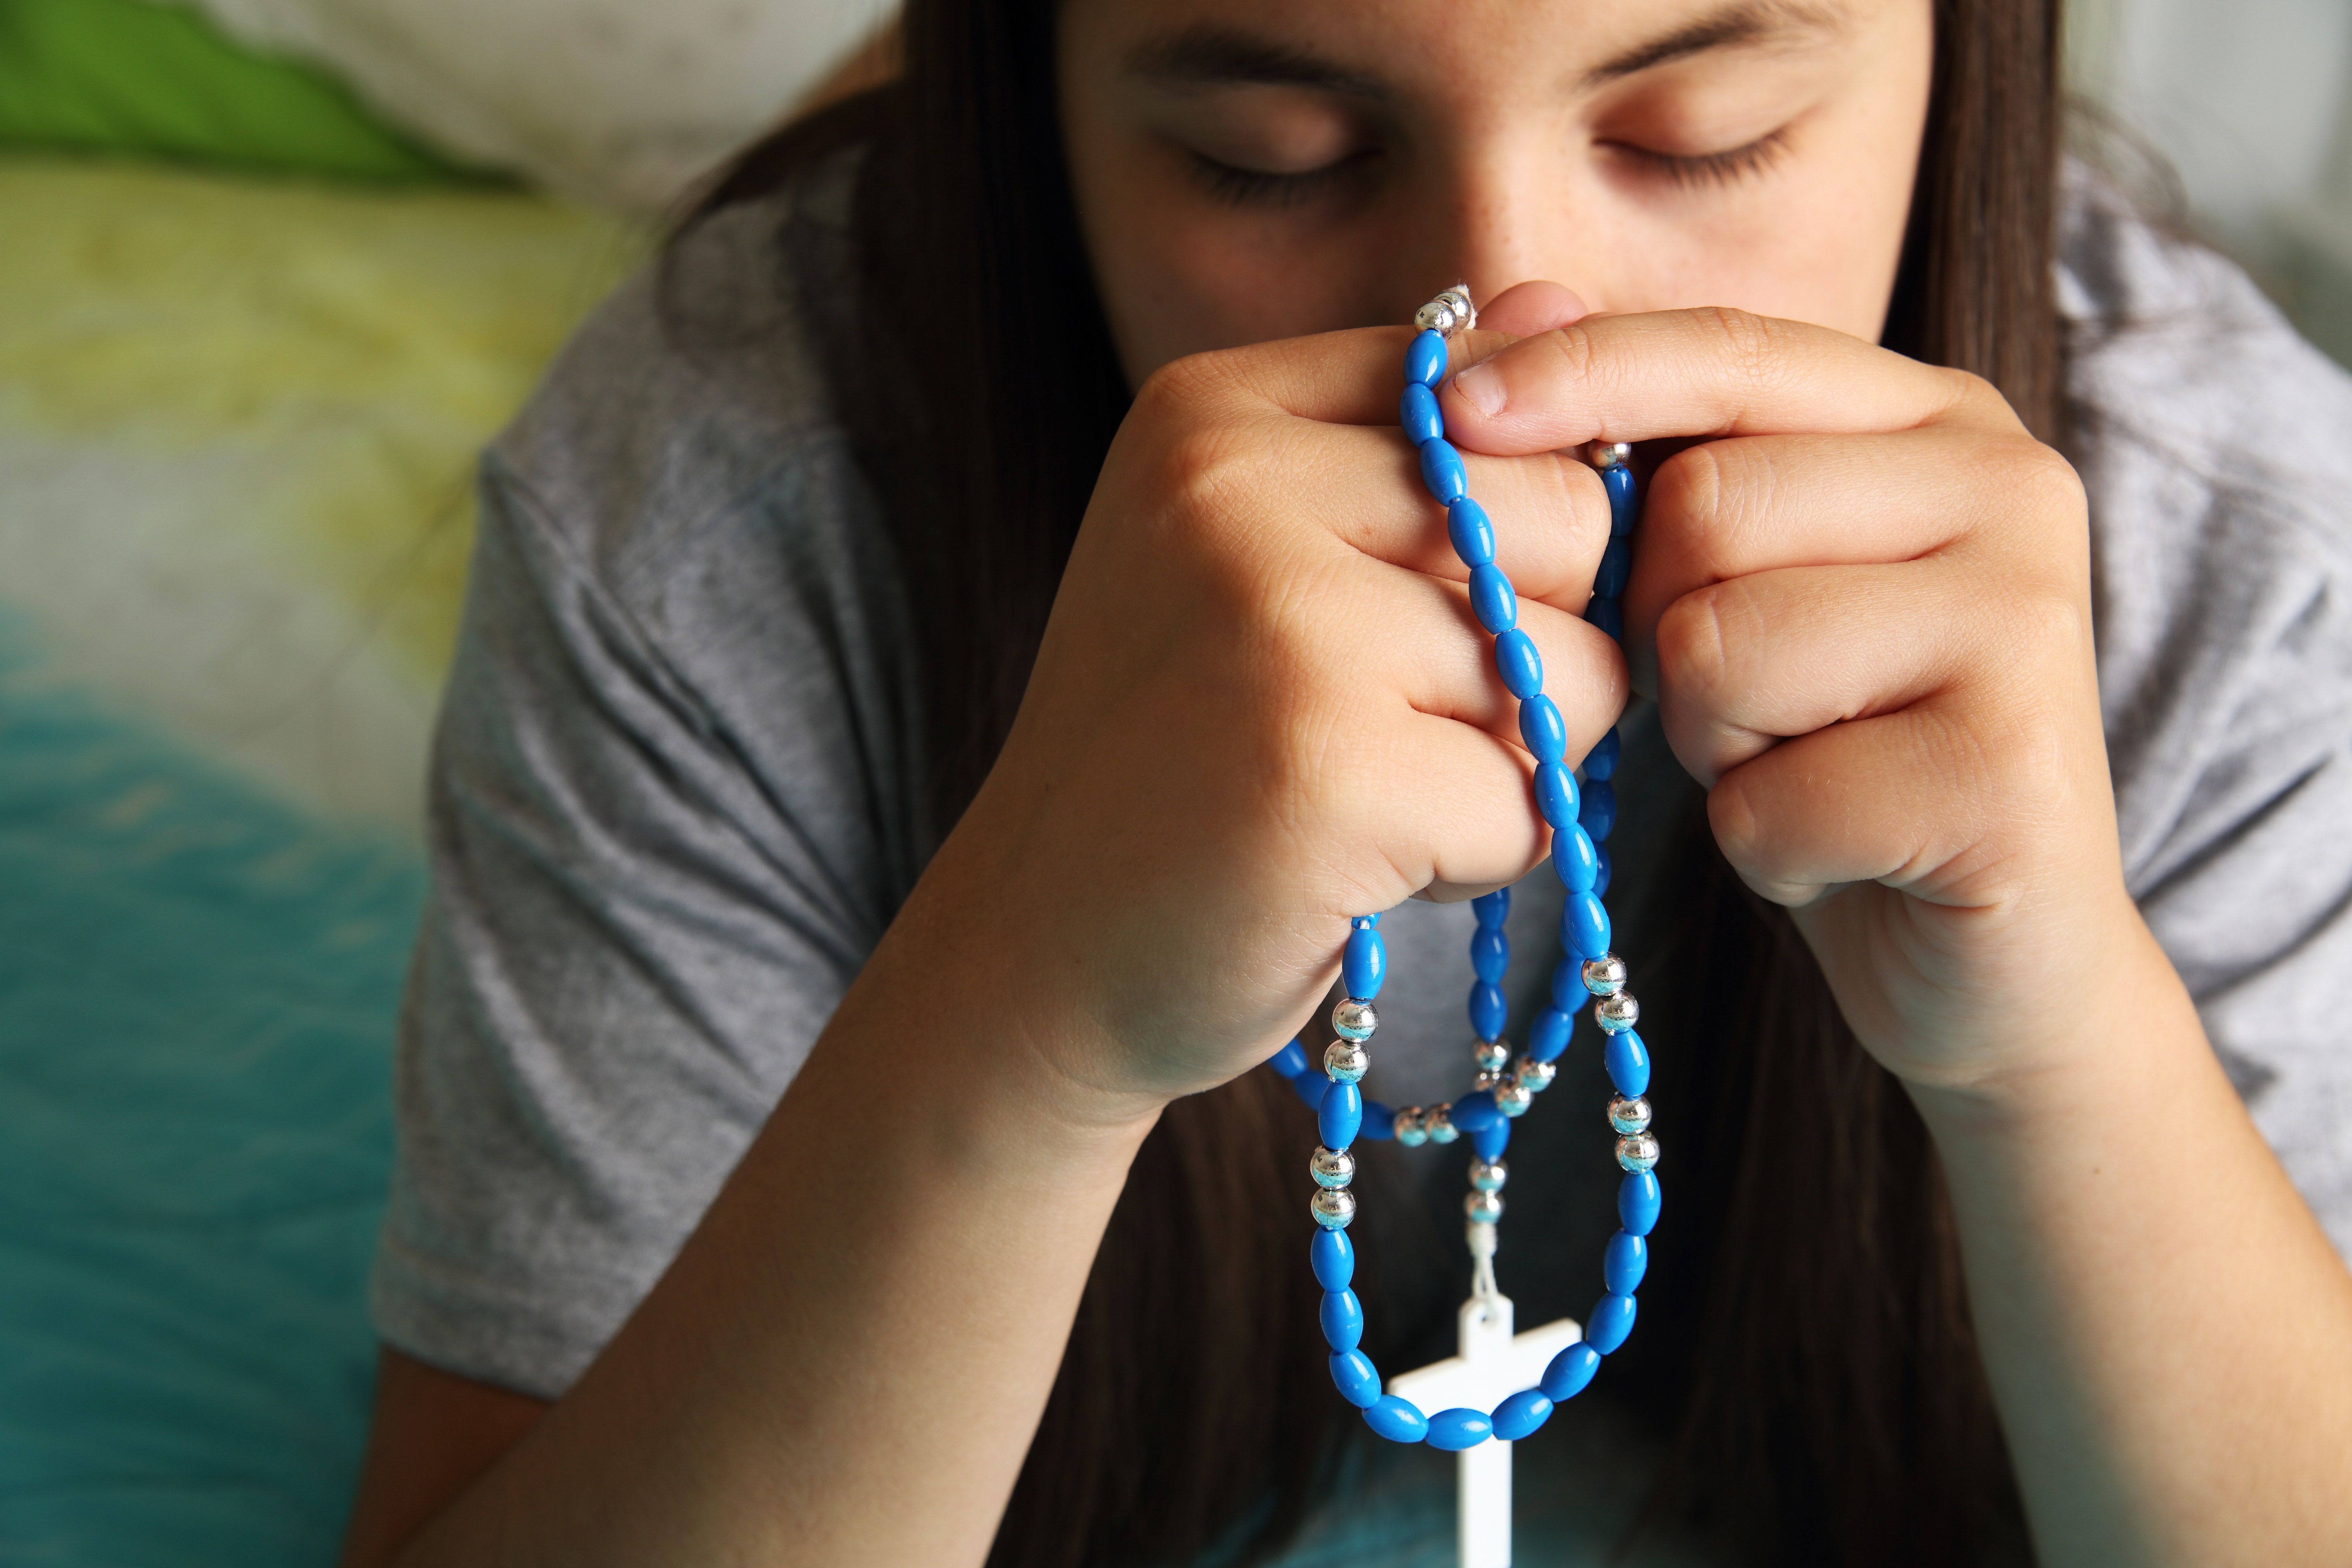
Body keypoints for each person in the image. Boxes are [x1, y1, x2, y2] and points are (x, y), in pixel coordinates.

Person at [334, 0, 2352, 1563]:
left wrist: (2065, 1049)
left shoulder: (2222, 547)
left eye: (1696, 132)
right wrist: (1022, 1017)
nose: (1495, 337)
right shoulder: (711, 526)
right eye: (1270, 157)